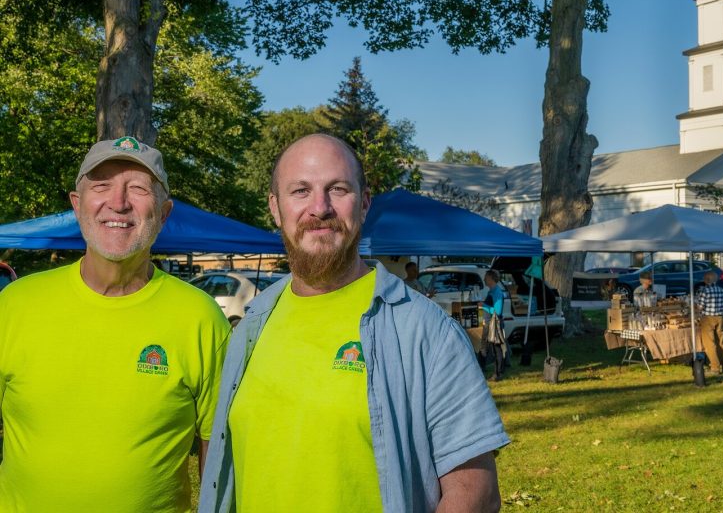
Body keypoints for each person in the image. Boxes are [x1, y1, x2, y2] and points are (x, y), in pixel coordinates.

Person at [199, 133, 508, 512]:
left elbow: (474, 494)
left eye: (337, 189)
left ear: (363, 205)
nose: (319, 207)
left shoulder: (424, 330)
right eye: (300, 191)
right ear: (275, 208)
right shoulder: (250, 327)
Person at [0, 136, 230, 512]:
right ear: (78, 205)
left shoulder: (201, 319)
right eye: (101, 185)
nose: (119, 202)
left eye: (138, 188)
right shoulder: (14, 304)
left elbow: (215, 452)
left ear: (164, 212)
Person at [695, 270, 723, 375]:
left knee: (709, 343)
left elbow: (700, 307)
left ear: (706, 280)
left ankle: (715, 367)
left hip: (708, 318)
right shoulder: (721, 290)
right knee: (721, 342)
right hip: (720, 317)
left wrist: (695, 308)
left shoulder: (705, 291)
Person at [480, 269, 507, 382]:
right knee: (489, 348)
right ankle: (485, 370)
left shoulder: (497, 292)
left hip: (495, 325)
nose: (484, 279)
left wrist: (483, 306)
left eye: (486, 277)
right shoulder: (491, 291)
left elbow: (498, 311)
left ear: (491, 278)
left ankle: (497, 374)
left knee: (496, 349)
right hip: (489, 324)